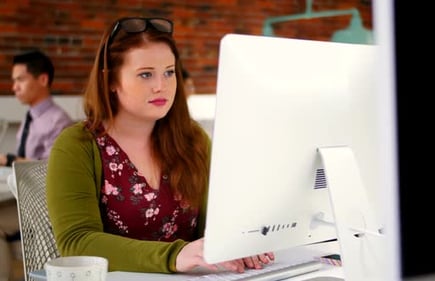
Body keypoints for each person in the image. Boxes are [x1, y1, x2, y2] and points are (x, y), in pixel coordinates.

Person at [46, 17, 274, 274]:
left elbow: (217, 221)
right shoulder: (78, 146)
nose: (161, 86)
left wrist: (241, 241)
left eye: (169, 72)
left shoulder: (193, 138)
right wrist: (176, 255)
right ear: (111, 80)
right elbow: (76, 243)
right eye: (145, 74)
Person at [0, 49, 73, 281]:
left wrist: (9, 160)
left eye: (20, 79)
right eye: (14, 81)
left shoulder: (58, 122)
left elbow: (51, 171)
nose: (14, 88)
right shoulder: (31, 117)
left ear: (42, 79)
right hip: (18, 196)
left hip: (41, 208)